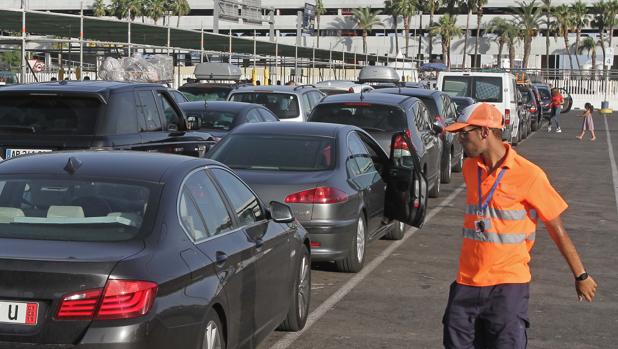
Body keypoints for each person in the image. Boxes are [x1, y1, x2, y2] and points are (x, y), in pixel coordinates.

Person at [442, 103, 597, 349]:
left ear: (484, 132)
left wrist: (581, 275)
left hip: (507, 287)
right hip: (467, 284)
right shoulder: (471, 168)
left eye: (464, 133)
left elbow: (556, 228)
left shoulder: (529, 175)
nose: (460, 140)